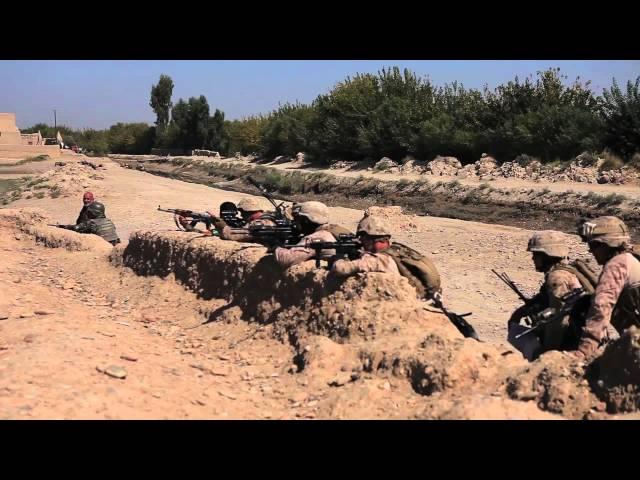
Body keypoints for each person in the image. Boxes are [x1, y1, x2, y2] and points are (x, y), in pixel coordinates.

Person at [573, 216, 640, 359]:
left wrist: (584, 351)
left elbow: (601, 307)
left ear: (606, 244)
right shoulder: (630, 258)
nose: (591, 251)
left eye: (593, 246)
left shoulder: (617, 264)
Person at [331, 216, 400, 277]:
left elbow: (339, 269)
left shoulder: (375, 261)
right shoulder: (397, 250)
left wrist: (339, 256)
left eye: (362, 238)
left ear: (368, 238)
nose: (360, 241)